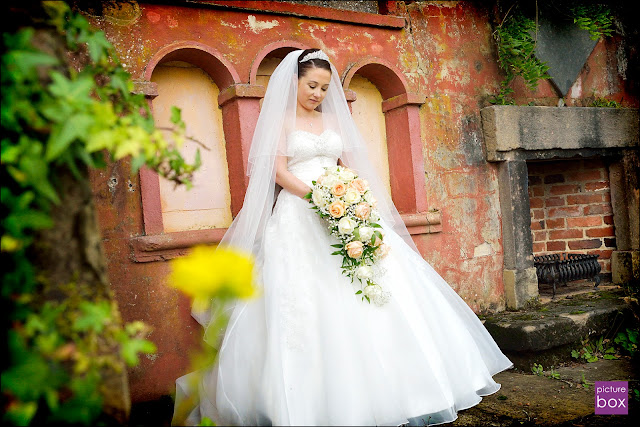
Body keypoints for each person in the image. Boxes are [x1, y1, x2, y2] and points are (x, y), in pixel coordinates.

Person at [173, 49, 513, 426]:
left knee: (376, 286)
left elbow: (346, 164)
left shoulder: (333, 119)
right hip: (300, 214)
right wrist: (317, 196)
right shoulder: (280, 122)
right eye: (312, 86)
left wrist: (355, 196)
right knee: (304, 295)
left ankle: (401, 388)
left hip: (346, 207)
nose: (318, 93)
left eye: (324, 87)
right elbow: (278, 173)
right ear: (295, 83)